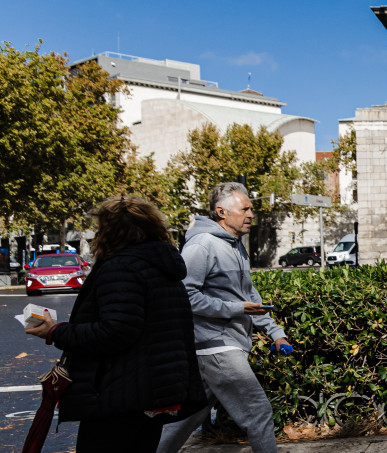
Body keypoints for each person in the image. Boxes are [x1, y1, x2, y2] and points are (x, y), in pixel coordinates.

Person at [24, 195, 206, 452]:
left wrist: (56, 331)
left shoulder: (121, 267)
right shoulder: (163, 267)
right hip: (158, 390)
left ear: (109, 231)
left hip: (120, 393)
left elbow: (115, 331)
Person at [158, 182, 293, 453]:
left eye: (251, 208)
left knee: (191, 417)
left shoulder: (235, 245)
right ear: (222, 212)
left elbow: (247, 294)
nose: (251, 214)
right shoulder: (202, 245)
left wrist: (275, 331)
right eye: (245, 209)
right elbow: (186, 295)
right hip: (216, 346)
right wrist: (236, 309)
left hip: (224, 344)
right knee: (258, 413)